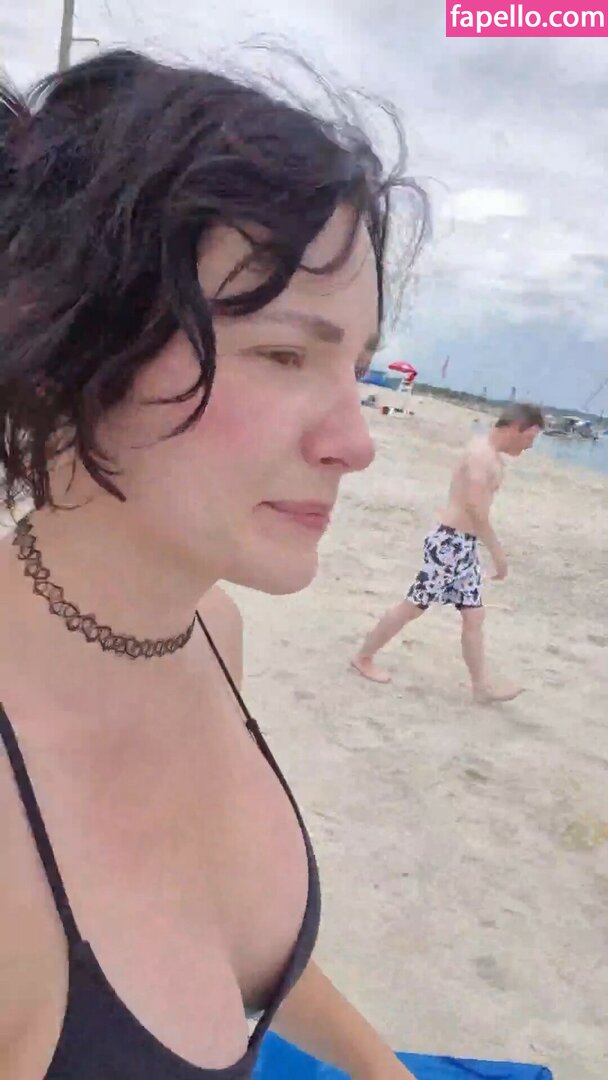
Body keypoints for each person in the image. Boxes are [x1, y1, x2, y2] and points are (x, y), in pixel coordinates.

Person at [0, 50, 426, 1080]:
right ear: (67, 343)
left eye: (356, 366)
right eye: (284, 354)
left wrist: (384, 1068)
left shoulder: (207, 634)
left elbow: (220, 942)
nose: (355, 442)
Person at [352, 404, 544, 702]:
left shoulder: (489, 455)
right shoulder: (481, 456)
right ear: (514, 428)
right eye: (529, 438)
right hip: (449, 544)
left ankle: (481, 688)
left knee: (474, 615)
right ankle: (363, 657)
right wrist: (498, 554)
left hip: (463, 545)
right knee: (413, 606)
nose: (530, 446)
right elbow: (475, 509)